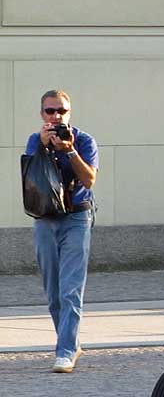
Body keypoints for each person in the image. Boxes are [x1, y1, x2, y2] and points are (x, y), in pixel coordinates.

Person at [25, 90, 99, 373]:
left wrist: (69, 150)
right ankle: (70, 342)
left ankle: (65, 351)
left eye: (61, 111)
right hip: (45, 217)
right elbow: (30, 177)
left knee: (70, 289)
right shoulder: (35, 140)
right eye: (49, 111)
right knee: (54, 292)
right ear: (41, 113)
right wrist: (43, 148)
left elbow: (90, 180)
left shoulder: (84, 140)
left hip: (77, 216)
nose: (56, 117)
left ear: (70, 113)